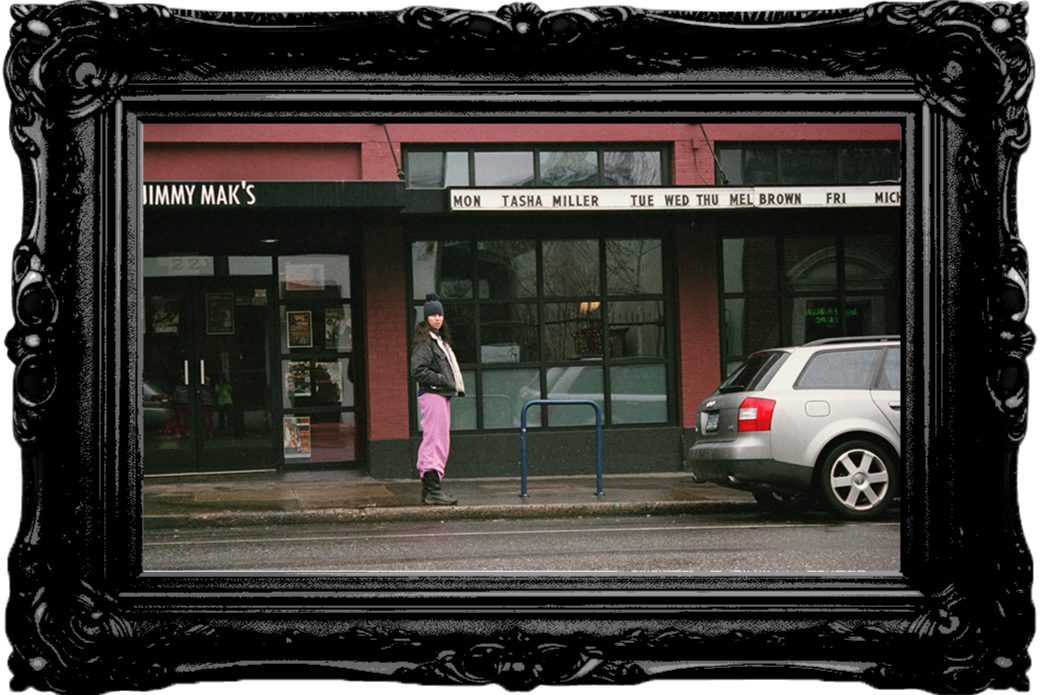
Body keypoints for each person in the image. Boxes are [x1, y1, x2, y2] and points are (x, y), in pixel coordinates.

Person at [410, 293, 466, 505]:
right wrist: (441, 379)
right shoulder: (426, 342)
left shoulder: (437, 340)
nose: (437, 318)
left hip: (438, 395)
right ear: (426, 318)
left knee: (436, 440)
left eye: (440, 314)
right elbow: (418, 370)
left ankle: (430, 490)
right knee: (435, 441)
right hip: (433, 394)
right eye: (433, 315)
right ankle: (433, 489)